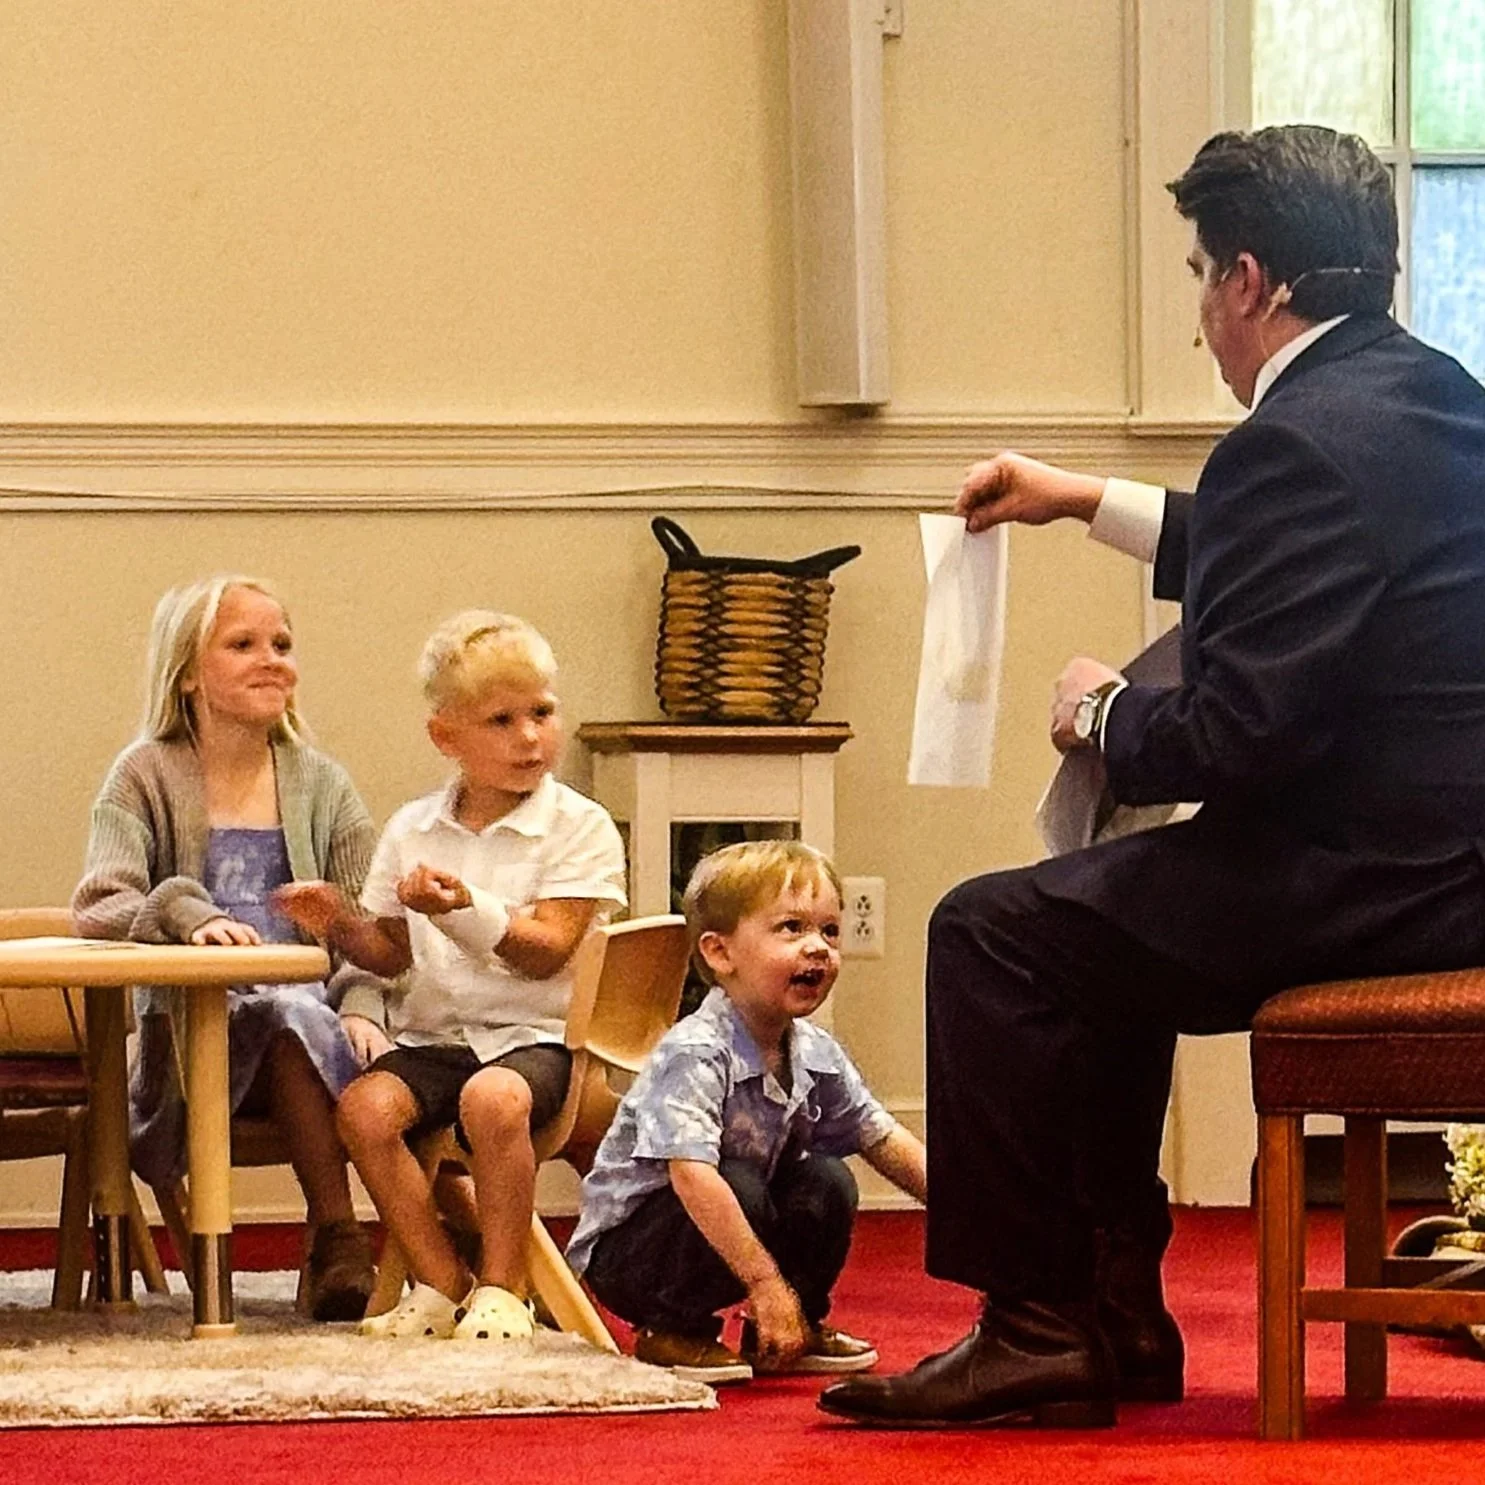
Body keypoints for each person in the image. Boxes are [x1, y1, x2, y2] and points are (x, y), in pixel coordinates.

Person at [819, 123, 1485, 1428]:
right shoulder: (1436, 398)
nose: (1198, 321)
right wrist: (1080, 499)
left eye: (1198, 277)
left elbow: (1236, 737)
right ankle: (1110, 1310)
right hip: (1453, 857)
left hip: (1376, 879)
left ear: (1249, 280)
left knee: (996, 932)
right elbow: (1307, 554)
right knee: (1093, 926)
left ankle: (1038, 1325)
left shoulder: (1289, 447)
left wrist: (1105, 711)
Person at [276, 610, 626, 1342]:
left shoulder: (580, 825)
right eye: (501, 719)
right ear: (448, 737)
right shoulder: (413, 827)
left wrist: (466, 906)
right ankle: (442, 1280)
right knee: (364, 1110)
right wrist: (339, 921)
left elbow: (548, 948)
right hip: (437, 1037)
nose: (529, 736)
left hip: (538, 1038)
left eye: (542, 712)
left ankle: (504, 1284)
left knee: (493, 1098)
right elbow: (390, 953)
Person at [72, 575, 382, 1321]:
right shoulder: (144, 773)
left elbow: (363, 924)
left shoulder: (323, 783)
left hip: (313, 1028)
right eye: (243, 644)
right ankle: (343, 1233)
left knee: (293, 1018)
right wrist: (183, 911)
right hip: (192, 1039)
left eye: (281, 644)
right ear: (186, 672)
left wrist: (366, 1003)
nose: (271, 659)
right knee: (275, 1014)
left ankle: (344, 1236)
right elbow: (99, 903)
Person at [566, 839, 928, 1384]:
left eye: (829, 931)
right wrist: (764, 1285)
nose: (819, 948)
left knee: (826, 1178)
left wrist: (976, 1224)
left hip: (732, 1225)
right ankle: (673, 1328)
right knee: (736, 1182)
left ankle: (790, 1328)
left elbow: (882, 1139)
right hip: (635, 1255)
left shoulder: (814, 1051)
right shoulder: (695, 1051)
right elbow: (691, 1178)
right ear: (719, 953)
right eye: (791, 929)